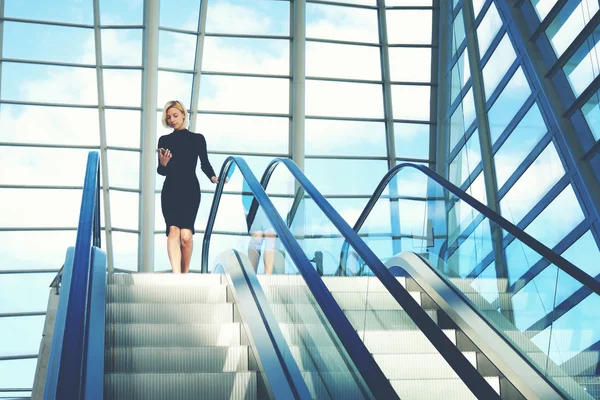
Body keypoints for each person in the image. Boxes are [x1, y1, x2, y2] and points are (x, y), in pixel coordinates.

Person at [157, 100, 218, 274]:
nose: (172, 120)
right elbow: (161, 171)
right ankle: (177, 277)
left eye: (175, 115)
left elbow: (204, 164)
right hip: (170, 190)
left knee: (186, 237)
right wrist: (163, 163)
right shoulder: (164, 140)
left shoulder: (197, 139)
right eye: (169, 117)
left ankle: (185, 274)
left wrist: (214, 177)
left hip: (190, 190)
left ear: (184, 114)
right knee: (173, 230)